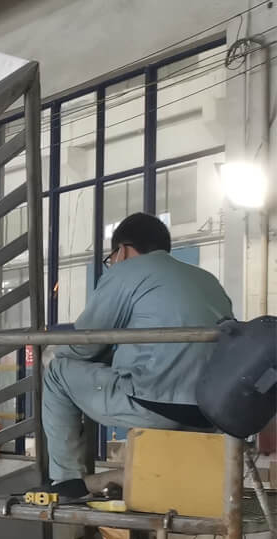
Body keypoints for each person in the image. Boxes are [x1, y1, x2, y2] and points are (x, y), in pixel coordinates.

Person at [42, 212, 233, 499]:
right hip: (208, 413)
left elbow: (85, 343)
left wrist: (52, 352)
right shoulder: (208, 280)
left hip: (152, 405)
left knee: (57, 372)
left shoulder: (126, 272)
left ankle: (65, 483)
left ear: (123, 250)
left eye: (111, 258)